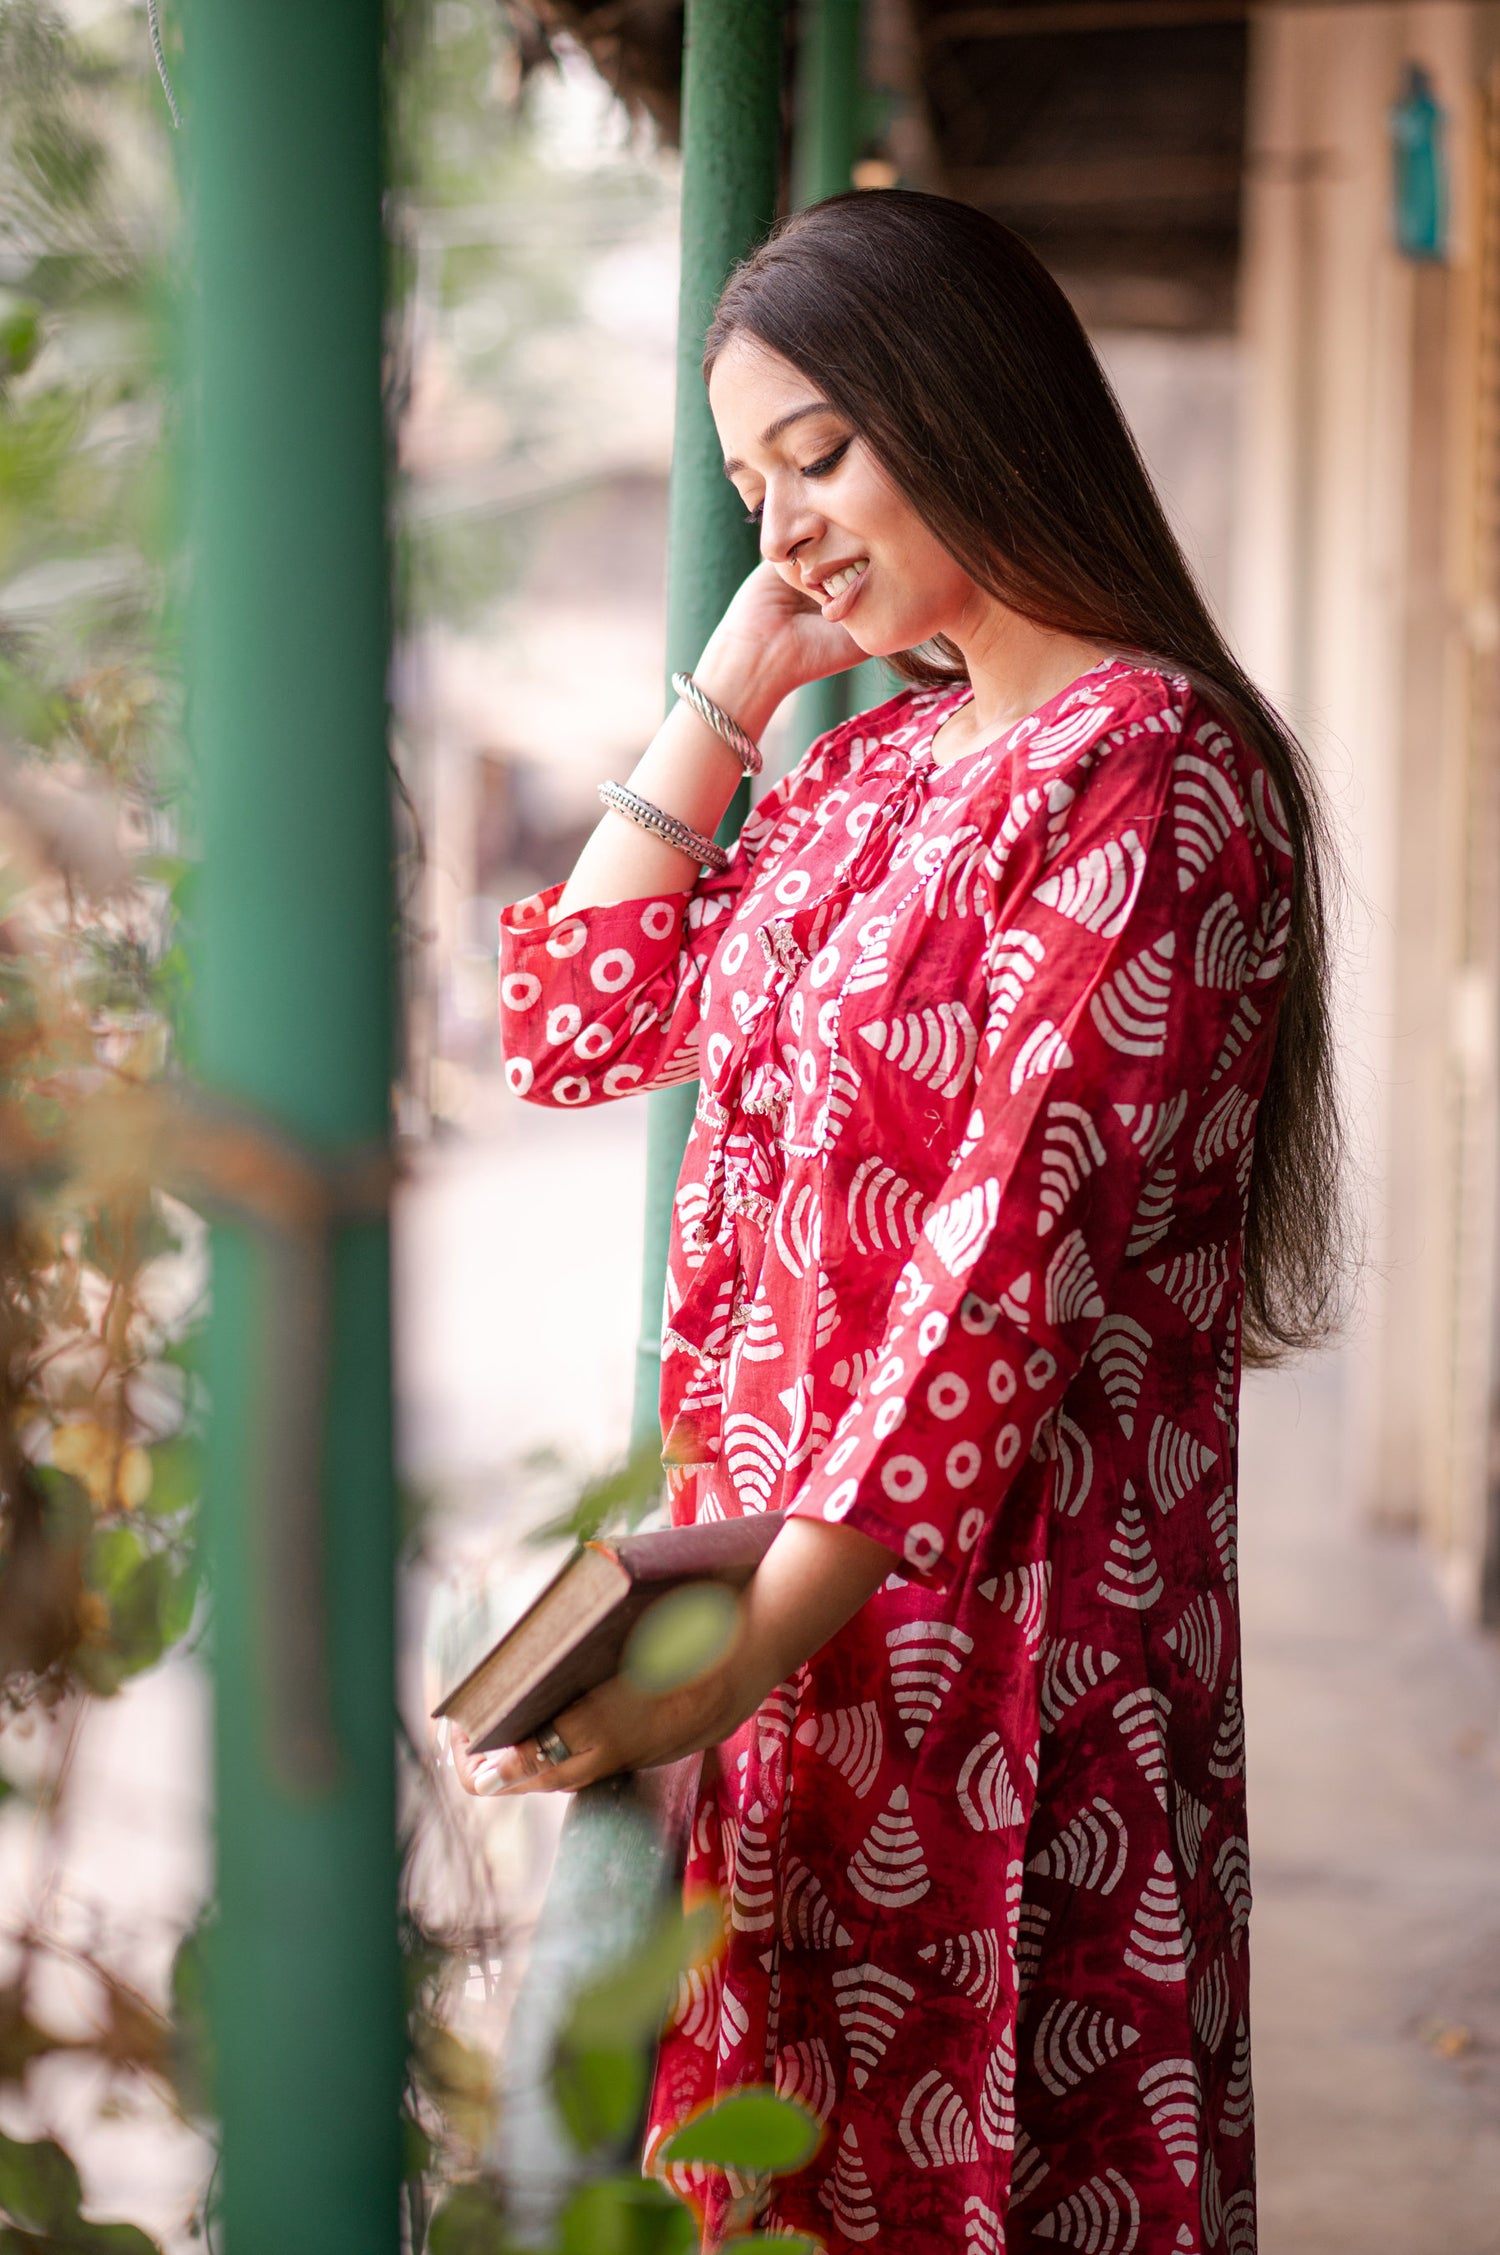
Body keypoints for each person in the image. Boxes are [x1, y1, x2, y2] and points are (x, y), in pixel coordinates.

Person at [453, 190, 1343, 2253]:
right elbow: (576, 1028)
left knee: (1002, 2183)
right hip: (798, 1631)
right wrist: (738, 677)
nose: (785, 526)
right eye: (748, 484)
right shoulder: (875, 775)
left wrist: (747, 1650)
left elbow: (997, 1273)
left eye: (820, 456)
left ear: (970, 398)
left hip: (1010, 1646)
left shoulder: (1155, 768)